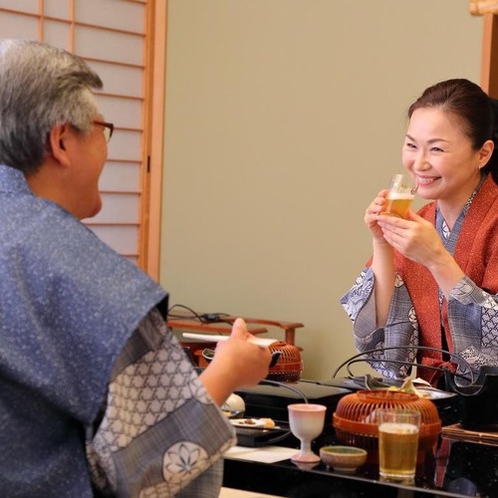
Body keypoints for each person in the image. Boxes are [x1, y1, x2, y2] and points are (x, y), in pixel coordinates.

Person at [0, 39, 271, 497]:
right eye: (101, 129)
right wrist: (227, 372)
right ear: (62, 140)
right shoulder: (81, 276)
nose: (107, 147)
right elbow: (154, 469)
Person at [340, 78, 498, 387]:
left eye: (436, 148)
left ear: (483, 153)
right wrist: (382, 242)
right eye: (412, 145)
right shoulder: (419, 222)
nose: (419, 163)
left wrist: (438, 260)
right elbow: (384, 345)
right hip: (430, 408)